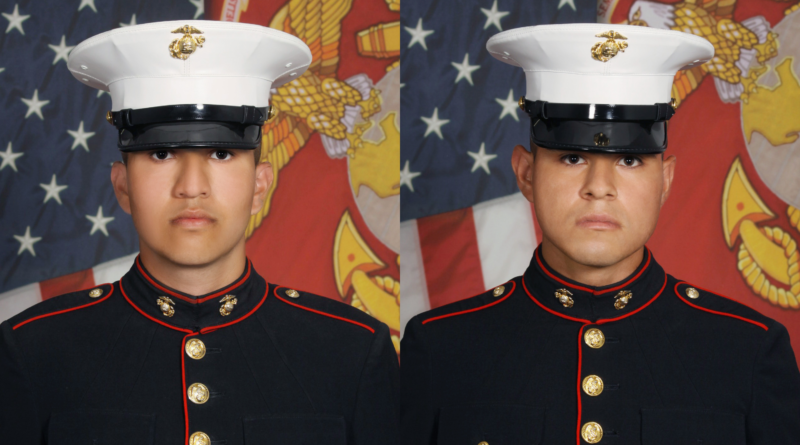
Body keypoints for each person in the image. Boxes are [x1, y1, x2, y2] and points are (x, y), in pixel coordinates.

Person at [0, 20, 399, 445]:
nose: (191, 187)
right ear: (122, 186)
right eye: (161, 153)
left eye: (221, 153)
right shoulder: (33, 352)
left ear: (260, 185)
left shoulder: (352, 352)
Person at [401, 23, 800, 445]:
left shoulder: (748, 351)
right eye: (572, 157)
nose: (599, 187)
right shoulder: (440, 348)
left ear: (665, 181)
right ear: (526, 174)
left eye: (629, 160)